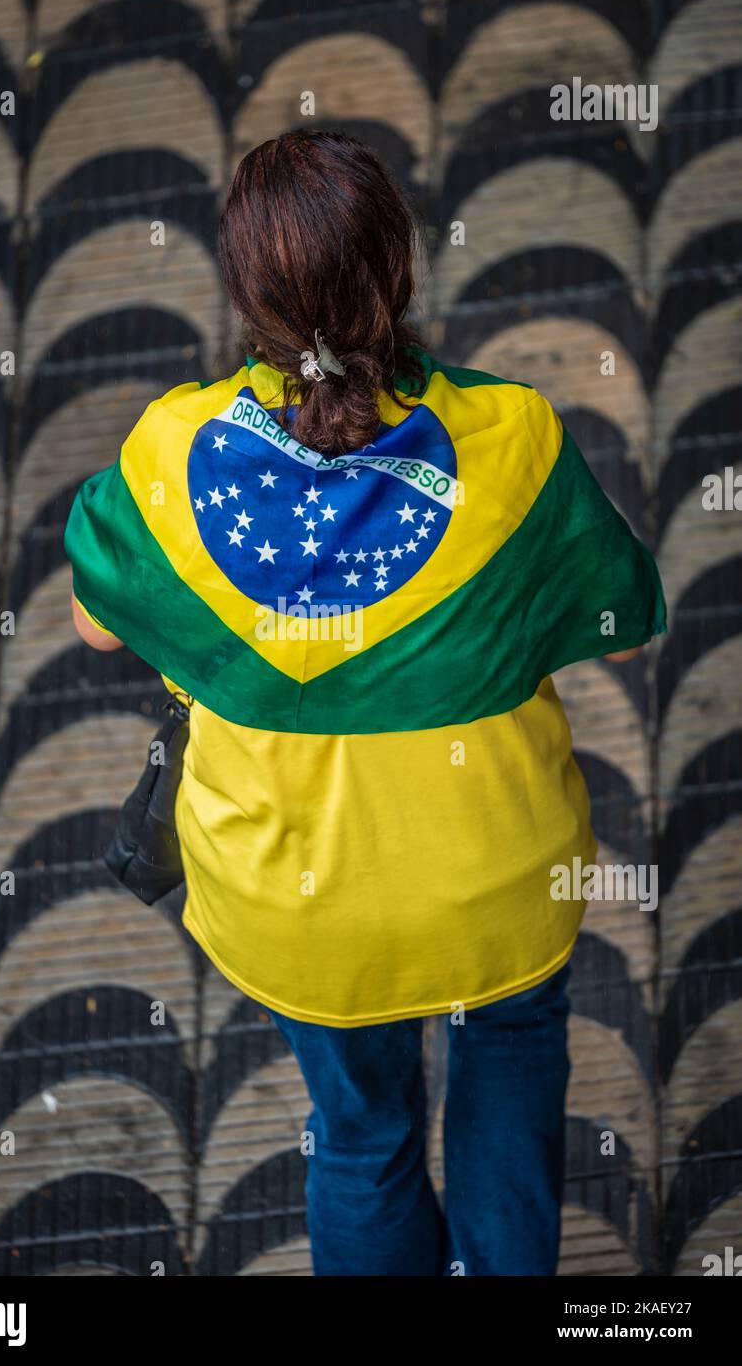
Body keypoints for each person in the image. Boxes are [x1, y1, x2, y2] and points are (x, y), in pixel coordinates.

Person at [64, 129, 666, 1276]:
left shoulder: (166, 454)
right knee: (511, 1080)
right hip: (497, 884)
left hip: (299, 914)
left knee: (360, 1136)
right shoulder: (517, 443)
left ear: (249, 302)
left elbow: (97, 617)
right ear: (399, 276)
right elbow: (626, 633)